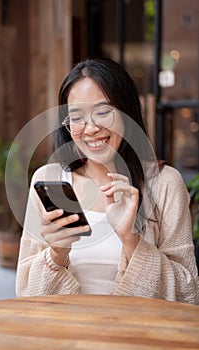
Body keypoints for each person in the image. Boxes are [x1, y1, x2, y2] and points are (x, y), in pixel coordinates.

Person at [16, 58, 199, 304]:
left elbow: (188, 292)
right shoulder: (49, 179)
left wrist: (131, 239)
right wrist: (56, 255)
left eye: (103, 112)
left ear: (128, 113)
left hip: (136, 336)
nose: (90, 129)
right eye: (76, 118)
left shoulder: (165, 184)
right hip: (64, 334)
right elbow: (25, 291)